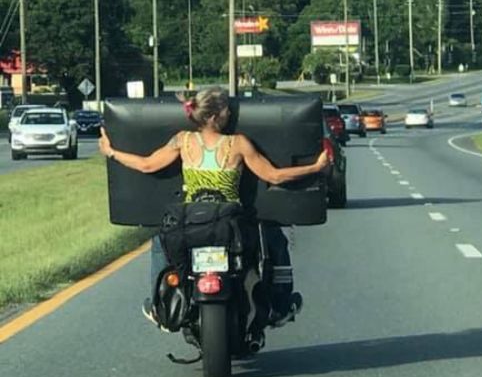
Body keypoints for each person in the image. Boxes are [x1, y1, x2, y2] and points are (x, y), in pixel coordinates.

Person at [98, 86, 329, 327]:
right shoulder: (238, 144)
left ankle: (160, 306)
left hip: (190, 221)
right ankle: (280, 306)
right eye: (226, 109)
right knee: (275, 241)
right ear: (214, 116)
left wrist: (111, 152)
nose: (230, 113)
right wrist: (315, 167)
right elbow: (274, 176)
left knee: (159, 243)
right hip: (230, 222)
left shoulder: (183, 141)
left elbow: (146, 165)